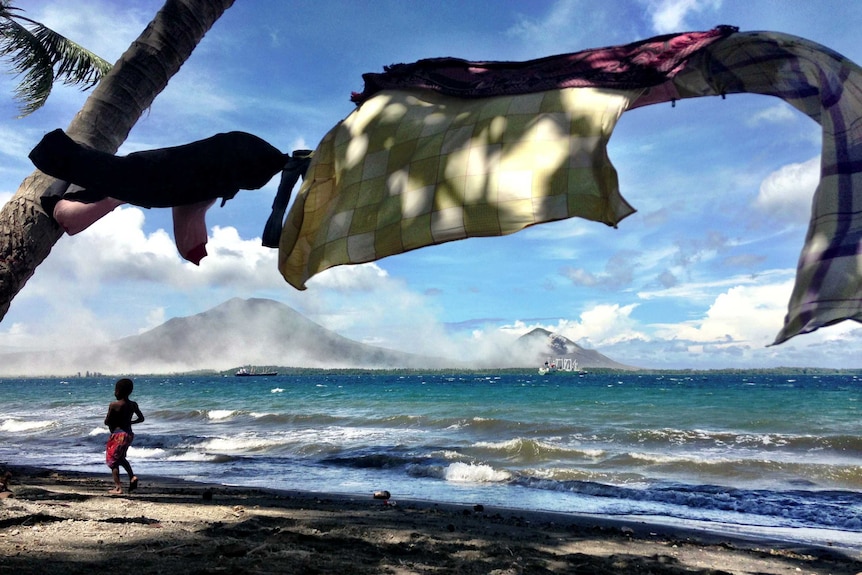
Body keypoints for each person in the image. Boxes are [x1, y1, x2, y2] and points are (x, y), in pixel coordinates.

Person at [104, 378, 145, 495]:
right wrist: (130, 423)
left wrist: (114, 423)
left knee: (113, 461)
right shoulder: (133, 405)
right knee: (121, 458)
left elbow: (107, 421)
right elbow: (141, 418)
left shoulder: (114, 405)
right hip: (128, 434)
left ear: (119, 391)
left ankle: (118, 488)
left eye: (115, 390)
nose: (114, 393)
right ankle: (132, 477)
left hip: (117, 435)